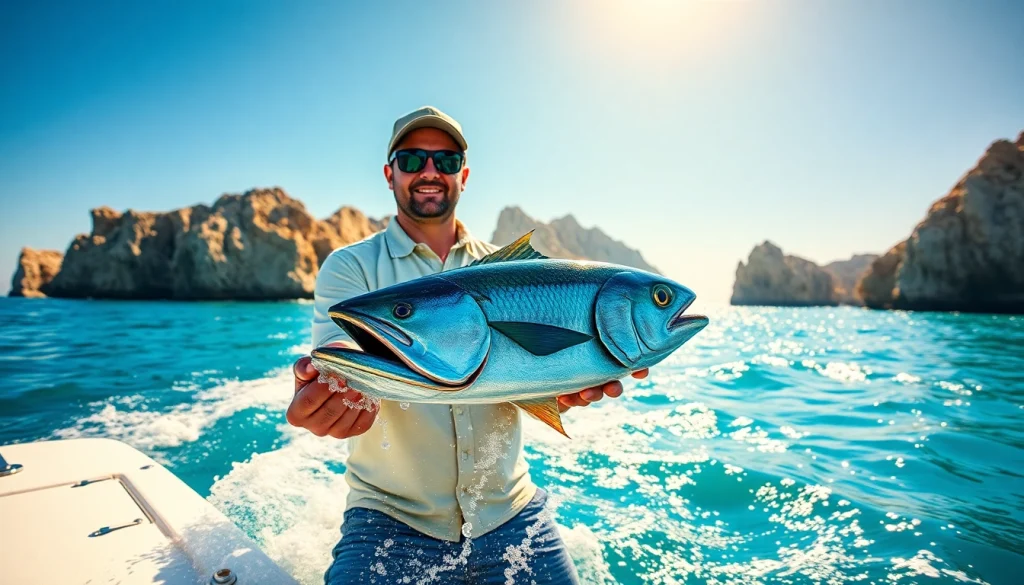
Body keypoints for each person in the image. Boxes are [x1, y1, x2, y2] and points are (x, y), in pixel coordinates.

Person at [287, 105, 648, 584]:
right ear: (389, 173)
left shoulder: (510, 269)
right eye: (413, 160)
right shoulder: (351, 269)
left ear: (465, 174)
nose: (430, 172)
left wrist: (560, 384)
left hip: (514, 514)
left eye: (447, 160)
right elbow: (341, 355)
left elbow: (530, 368)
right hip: (390, 521)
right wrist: (333, 389)